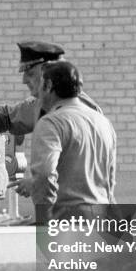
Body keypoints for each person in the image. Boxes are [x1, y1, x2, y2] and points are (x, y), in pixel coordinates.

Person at [0, 41, 102, 159]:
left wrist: (38, 182)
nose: (24, 80)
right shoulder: (40, 105)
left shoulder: (85, 112)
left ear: (48, 73)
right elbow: (6, 116)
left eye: (29, 73)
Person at [24, 60, 116, 223]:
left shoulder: (51, 123)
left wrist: (44, 220)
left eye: (41, 85)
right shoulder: (103, 123)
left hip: (68, 222)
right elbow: (109, 180)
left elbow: (44, 175)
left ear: (49, 85)